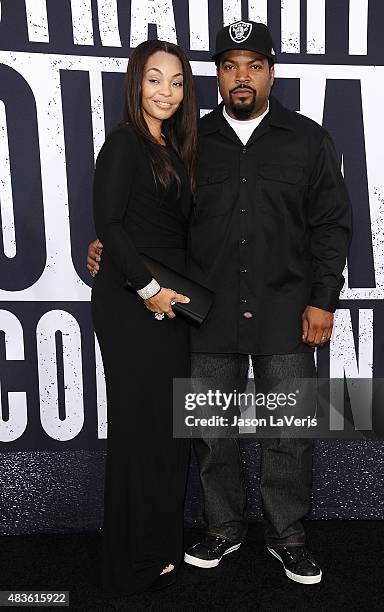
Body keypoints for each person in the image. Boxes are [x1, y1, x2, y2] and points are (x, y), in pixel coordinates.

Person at [88, 21, 352, 586]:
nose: (242, 77)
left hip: (285, 308)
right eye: (230, 66)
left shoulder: (308, 140)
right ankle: (223, 528)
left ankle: (288, 537)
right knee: (211, 430)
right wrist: (109, 252)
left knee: (290, 430)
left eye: (254, 65)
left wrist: (324, 300)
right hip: (203, 312)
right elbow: (152, 214)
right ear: (216, 76)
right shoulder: (189, 140)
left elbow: (332, 225)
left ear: (271, 73)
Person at [90, 39, 198, 595]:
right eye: (155, 79)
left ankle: (156, 547)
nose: (166, 92)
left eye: (177, 82)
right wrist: (150, 289)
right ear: (136, 84)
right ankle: (127, 562)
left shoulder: (173, 149)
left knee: (165, 432)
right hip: (134, 308)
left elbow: (164, 230)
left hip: (169, 307)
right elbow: (110, 225)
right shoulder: (125, 143)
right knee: (139, 432)